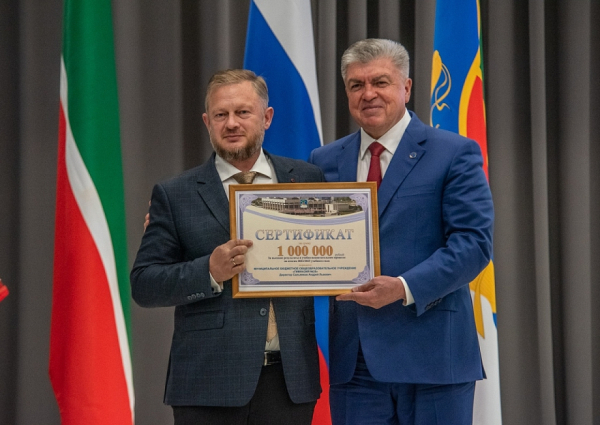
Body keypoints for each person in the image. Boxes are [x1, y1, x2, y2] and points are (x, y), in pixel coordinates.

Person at [308, 39, 494, 425]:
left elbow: (473, 244)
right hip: (355, 365)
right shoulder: (323, 161)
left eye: (380, 82)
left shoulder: (454, 152)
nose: (368, 94)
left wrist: (403, 288)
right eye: (356, 85)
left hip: (434, 358)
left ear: (406, 88)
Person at [131, 69, 323, 425]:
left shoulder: (308, 179)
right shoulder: (175, 194)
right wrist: (208, 271)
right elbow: (144, 284)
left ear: (267, 117)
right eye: (221, 114)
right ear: (207, 122)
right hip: (208, 383)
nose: (231, 123)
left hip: (290, 382)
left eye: (243, 112)